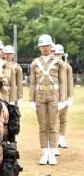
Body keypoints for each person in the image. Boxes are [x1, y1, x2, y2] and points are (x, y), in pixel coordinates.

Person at [29, 34, 66, 165]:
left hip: (53, 95)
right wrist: (31, 100)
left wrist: (63, 99)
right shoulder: (35, 63)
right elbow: (32, 82)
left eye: (47, 46)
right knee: (43, 126)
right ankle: (44, 151)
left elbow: (62, 82)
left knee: (53, 125)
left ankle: (52, 151)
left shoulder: (58, 62)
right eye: (43, 46)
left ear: (51, 46)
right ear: (39, 47)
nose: (45, 48)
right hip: (39, 95)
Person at [54, 44, 74, 148]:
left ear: (62, 54)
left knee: (63, 118)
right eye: (56, 53)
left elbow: (69, 83)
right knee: (54, 120)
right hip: (53, 96)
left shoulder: (67, 67)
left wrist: (70, 97)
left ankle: (61, 138)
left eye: (59, 53)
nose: (58, 55)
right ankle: (55, 139)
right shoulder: (51, 66)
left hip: (64, 97)